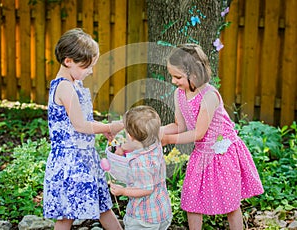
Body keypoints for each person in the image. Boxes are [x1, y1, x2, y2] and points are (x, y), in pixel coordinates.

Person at [161, 43, 264, 230]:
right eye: (171, 76)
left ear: (194, 74)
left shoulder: (210, 96)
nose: (173, 81)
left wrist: (168, 140)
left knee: (231, 204)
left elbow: (199, 133)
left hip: (222, 153)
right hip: (201, 153)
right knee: (192, 201)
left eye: (177, 76)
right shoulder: (179, 94)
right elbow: (179, 126)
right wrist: (159, 131)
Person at [43, 28, 124, 230]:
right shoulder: (64, 87)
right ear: (68, 61)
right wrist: (108, 126)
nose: (90, 71)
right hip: (71, 162)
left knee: (104, 206)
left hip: (85, 157)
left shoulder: (75, 84)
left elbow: (84, 119)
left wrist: (99, 129)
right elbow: (79, 125)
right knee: (65, 216)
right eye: (86, 66)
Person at [110, 105, 172, 230]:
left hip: (144, 218)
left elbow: (146, 189)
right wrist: (123, 148)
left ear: (130, 136)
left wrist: (123, 192)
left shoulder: (139, 163)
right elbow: (138, 145)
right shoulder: (156, 144)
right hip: (161, 210)